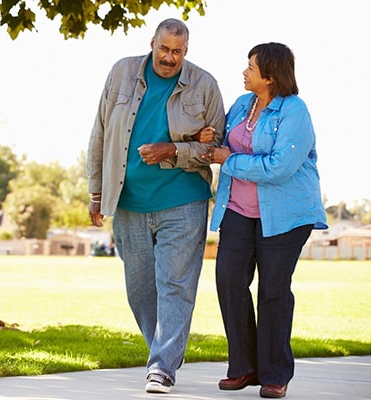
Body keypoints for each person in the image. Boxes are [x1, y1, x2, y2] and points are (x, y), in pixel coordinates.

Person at [86, 18, 225, 393]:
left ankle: (162, 367)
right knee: (140, 289)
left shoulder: (204, 85)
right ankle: (163, 352)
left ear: (186, 51)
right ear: (152, 44)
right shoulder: (122, 72)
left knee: (175, 285)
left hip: (183, 200)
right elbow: (100, 131)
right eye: (164, 49)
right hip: (128, 201)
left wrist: (174, 150)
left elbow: (216, 149)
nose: (169, 58)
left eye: (177, 52)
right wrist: (96, 193)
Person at [203, 43, 327, 399]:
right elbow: (225, 141)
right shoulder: (242, 105)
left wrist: (228, 160)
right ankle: (243, 367)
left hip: (285, 216)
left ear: (270, 76)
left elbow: (279, 167)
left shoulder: (295, 112)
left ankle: (275, 374)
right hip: (238, 211)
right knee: (228, 280)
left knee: (273, 292)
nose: (244, 71)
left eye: (251, 67)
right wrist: (211, 139)